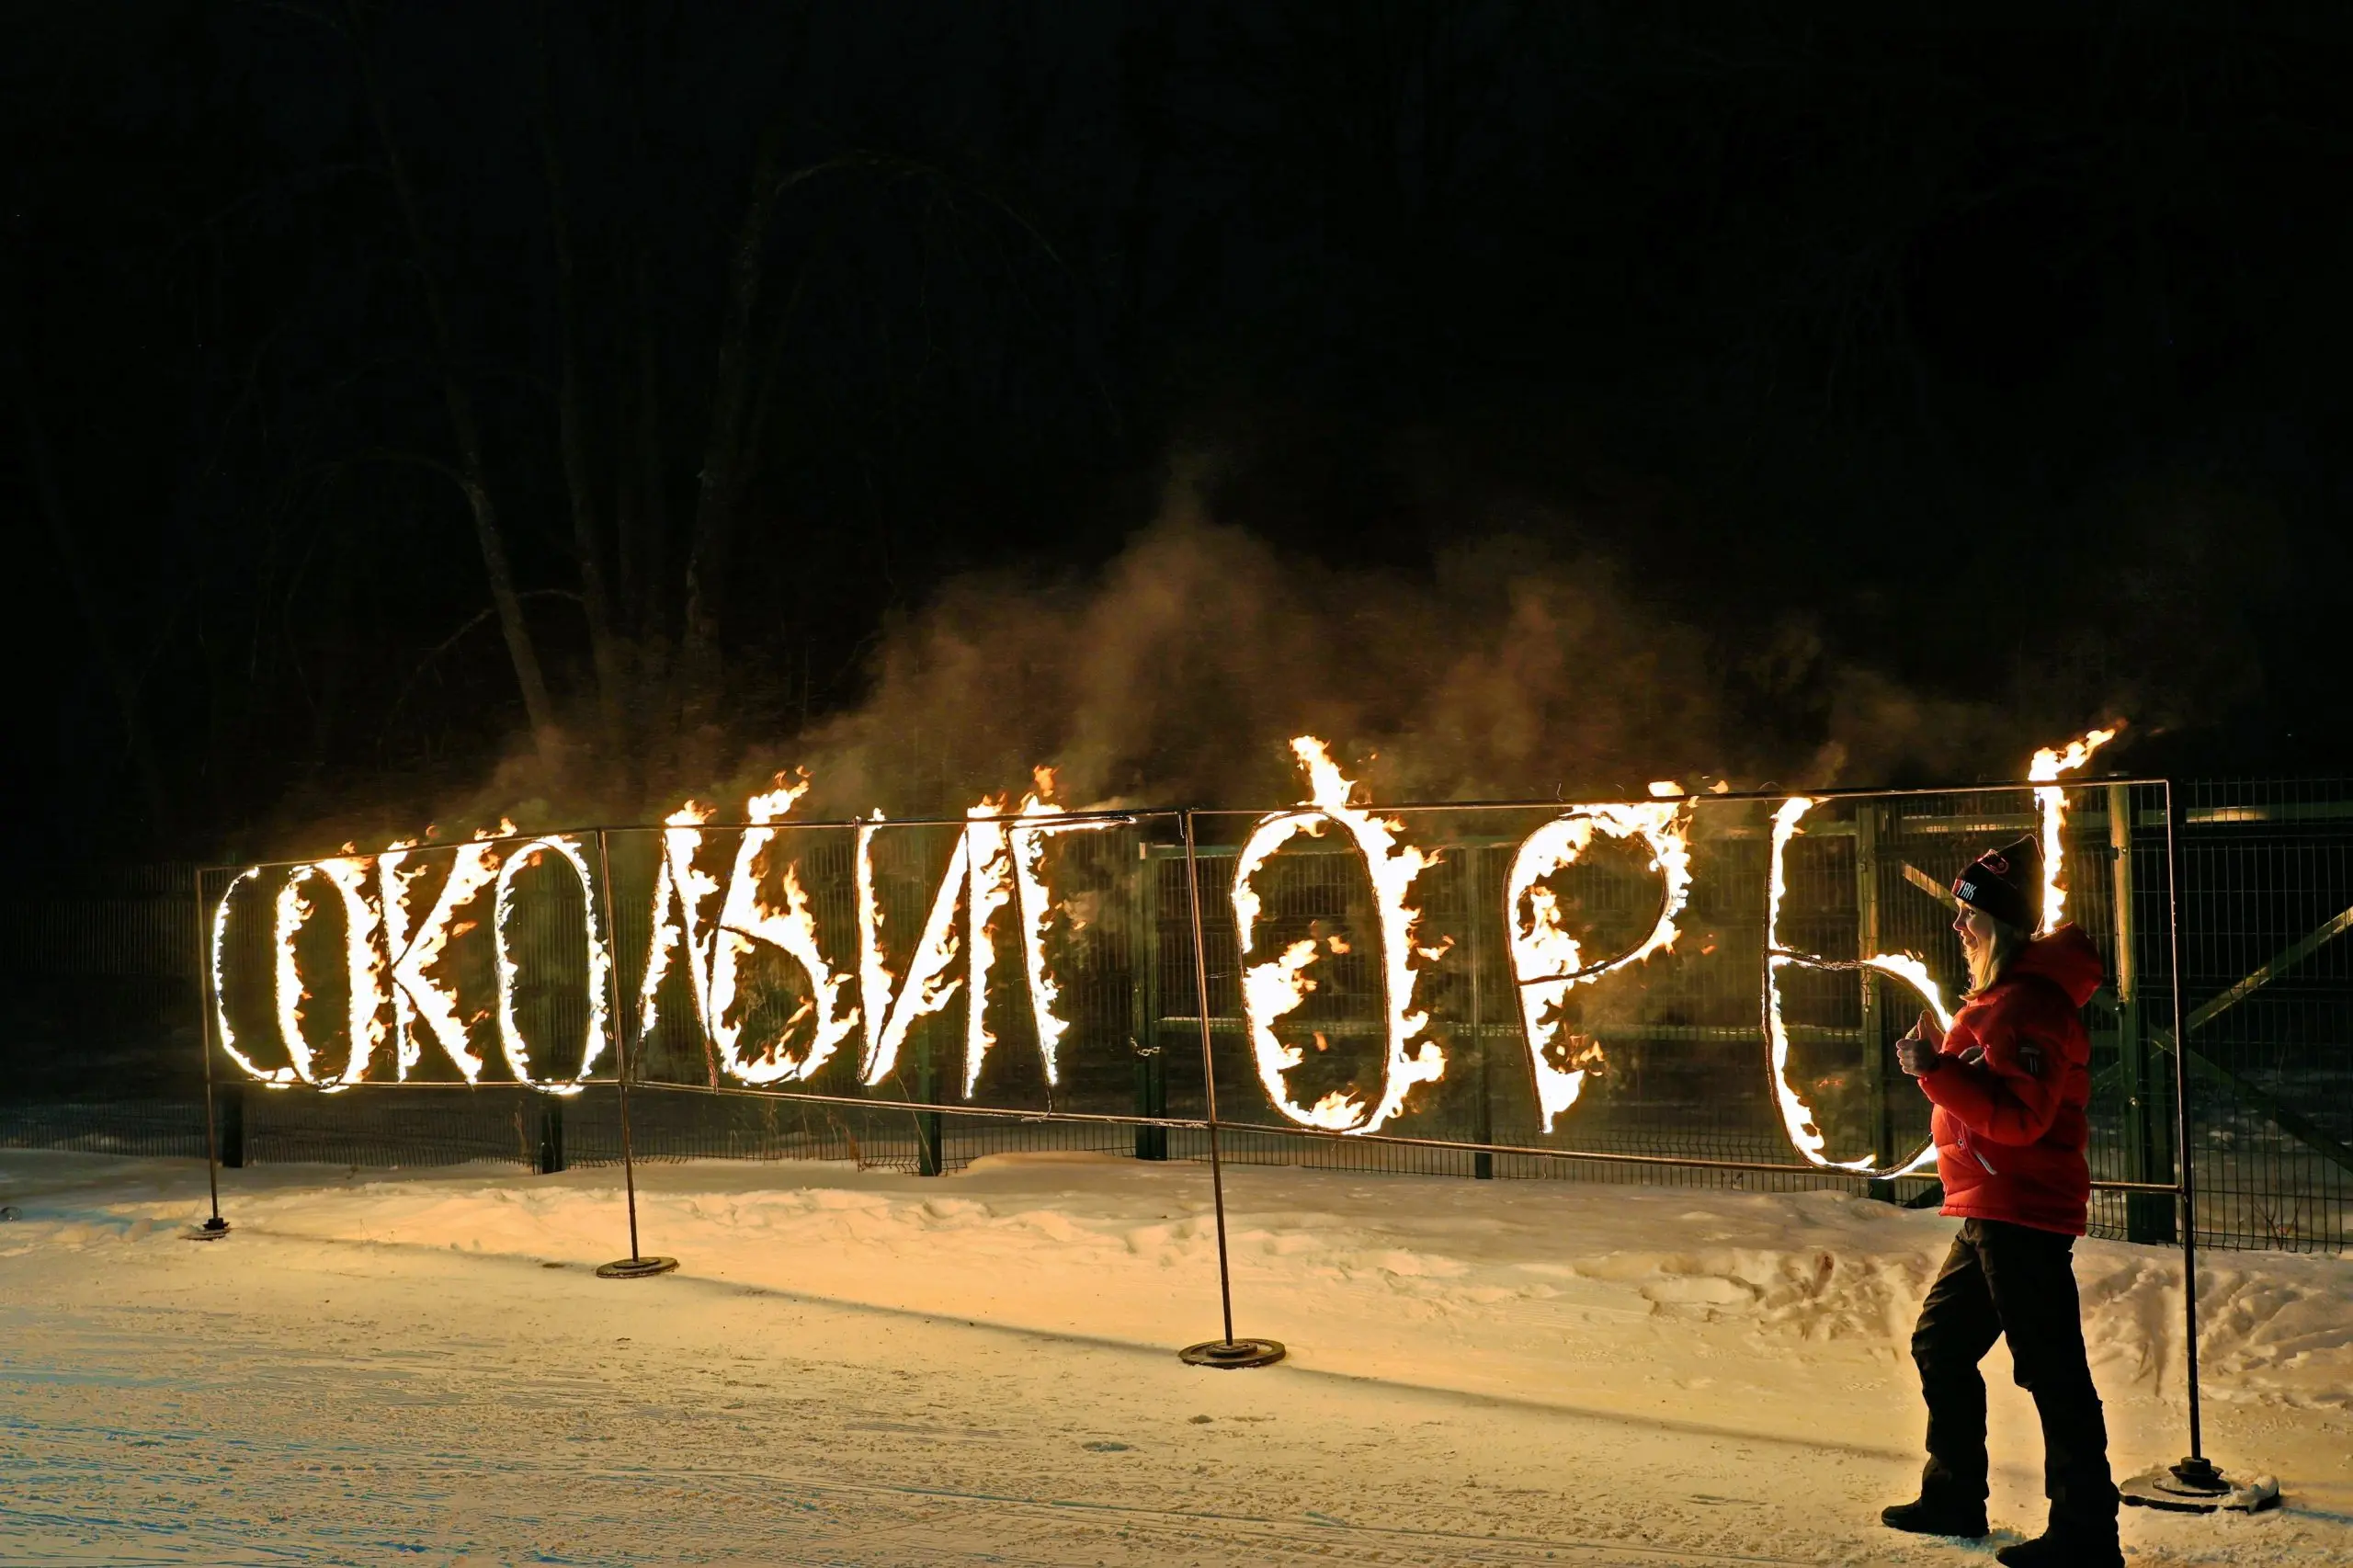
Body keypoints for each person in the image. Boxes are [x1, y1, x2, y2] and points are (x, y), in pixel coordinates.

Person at [1881, 835, 2122, 1568]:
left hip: (2020, 1211)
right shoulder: (2004, 1001)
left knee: (2052, 1370)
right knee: (1941, 1345)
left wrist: (1932, 1072)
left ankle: (2086, 1534)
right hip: (1990, 1206)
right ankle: (1954, 1494)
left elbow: (2021, 1121)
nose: (1957, 928)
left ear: (2004, 925)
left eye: (1969, 915)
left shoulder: (2027, 1007)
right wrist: (1946, 1069)